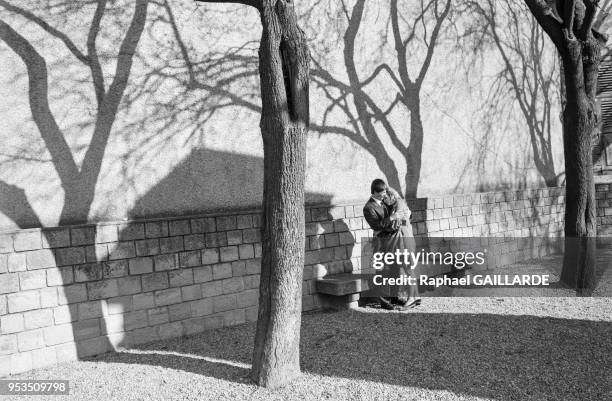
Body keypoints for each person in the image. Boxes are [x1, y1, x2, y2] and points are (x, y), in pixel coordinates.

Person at [363, 179, 420, 310]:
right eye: (382, 193)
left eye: (386, 193)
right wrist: (393, 218)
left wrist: (407, 215)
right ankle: (385, 301)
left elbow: (402, 215)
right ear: (375, 193)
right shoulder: (369, 207)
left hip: (397, 241)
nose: (384, 196)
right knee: (382, 271)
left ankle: (398, 297)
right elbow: (377, 226)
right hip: (382, 243)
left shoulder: (390, 201)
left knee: (397, 270)